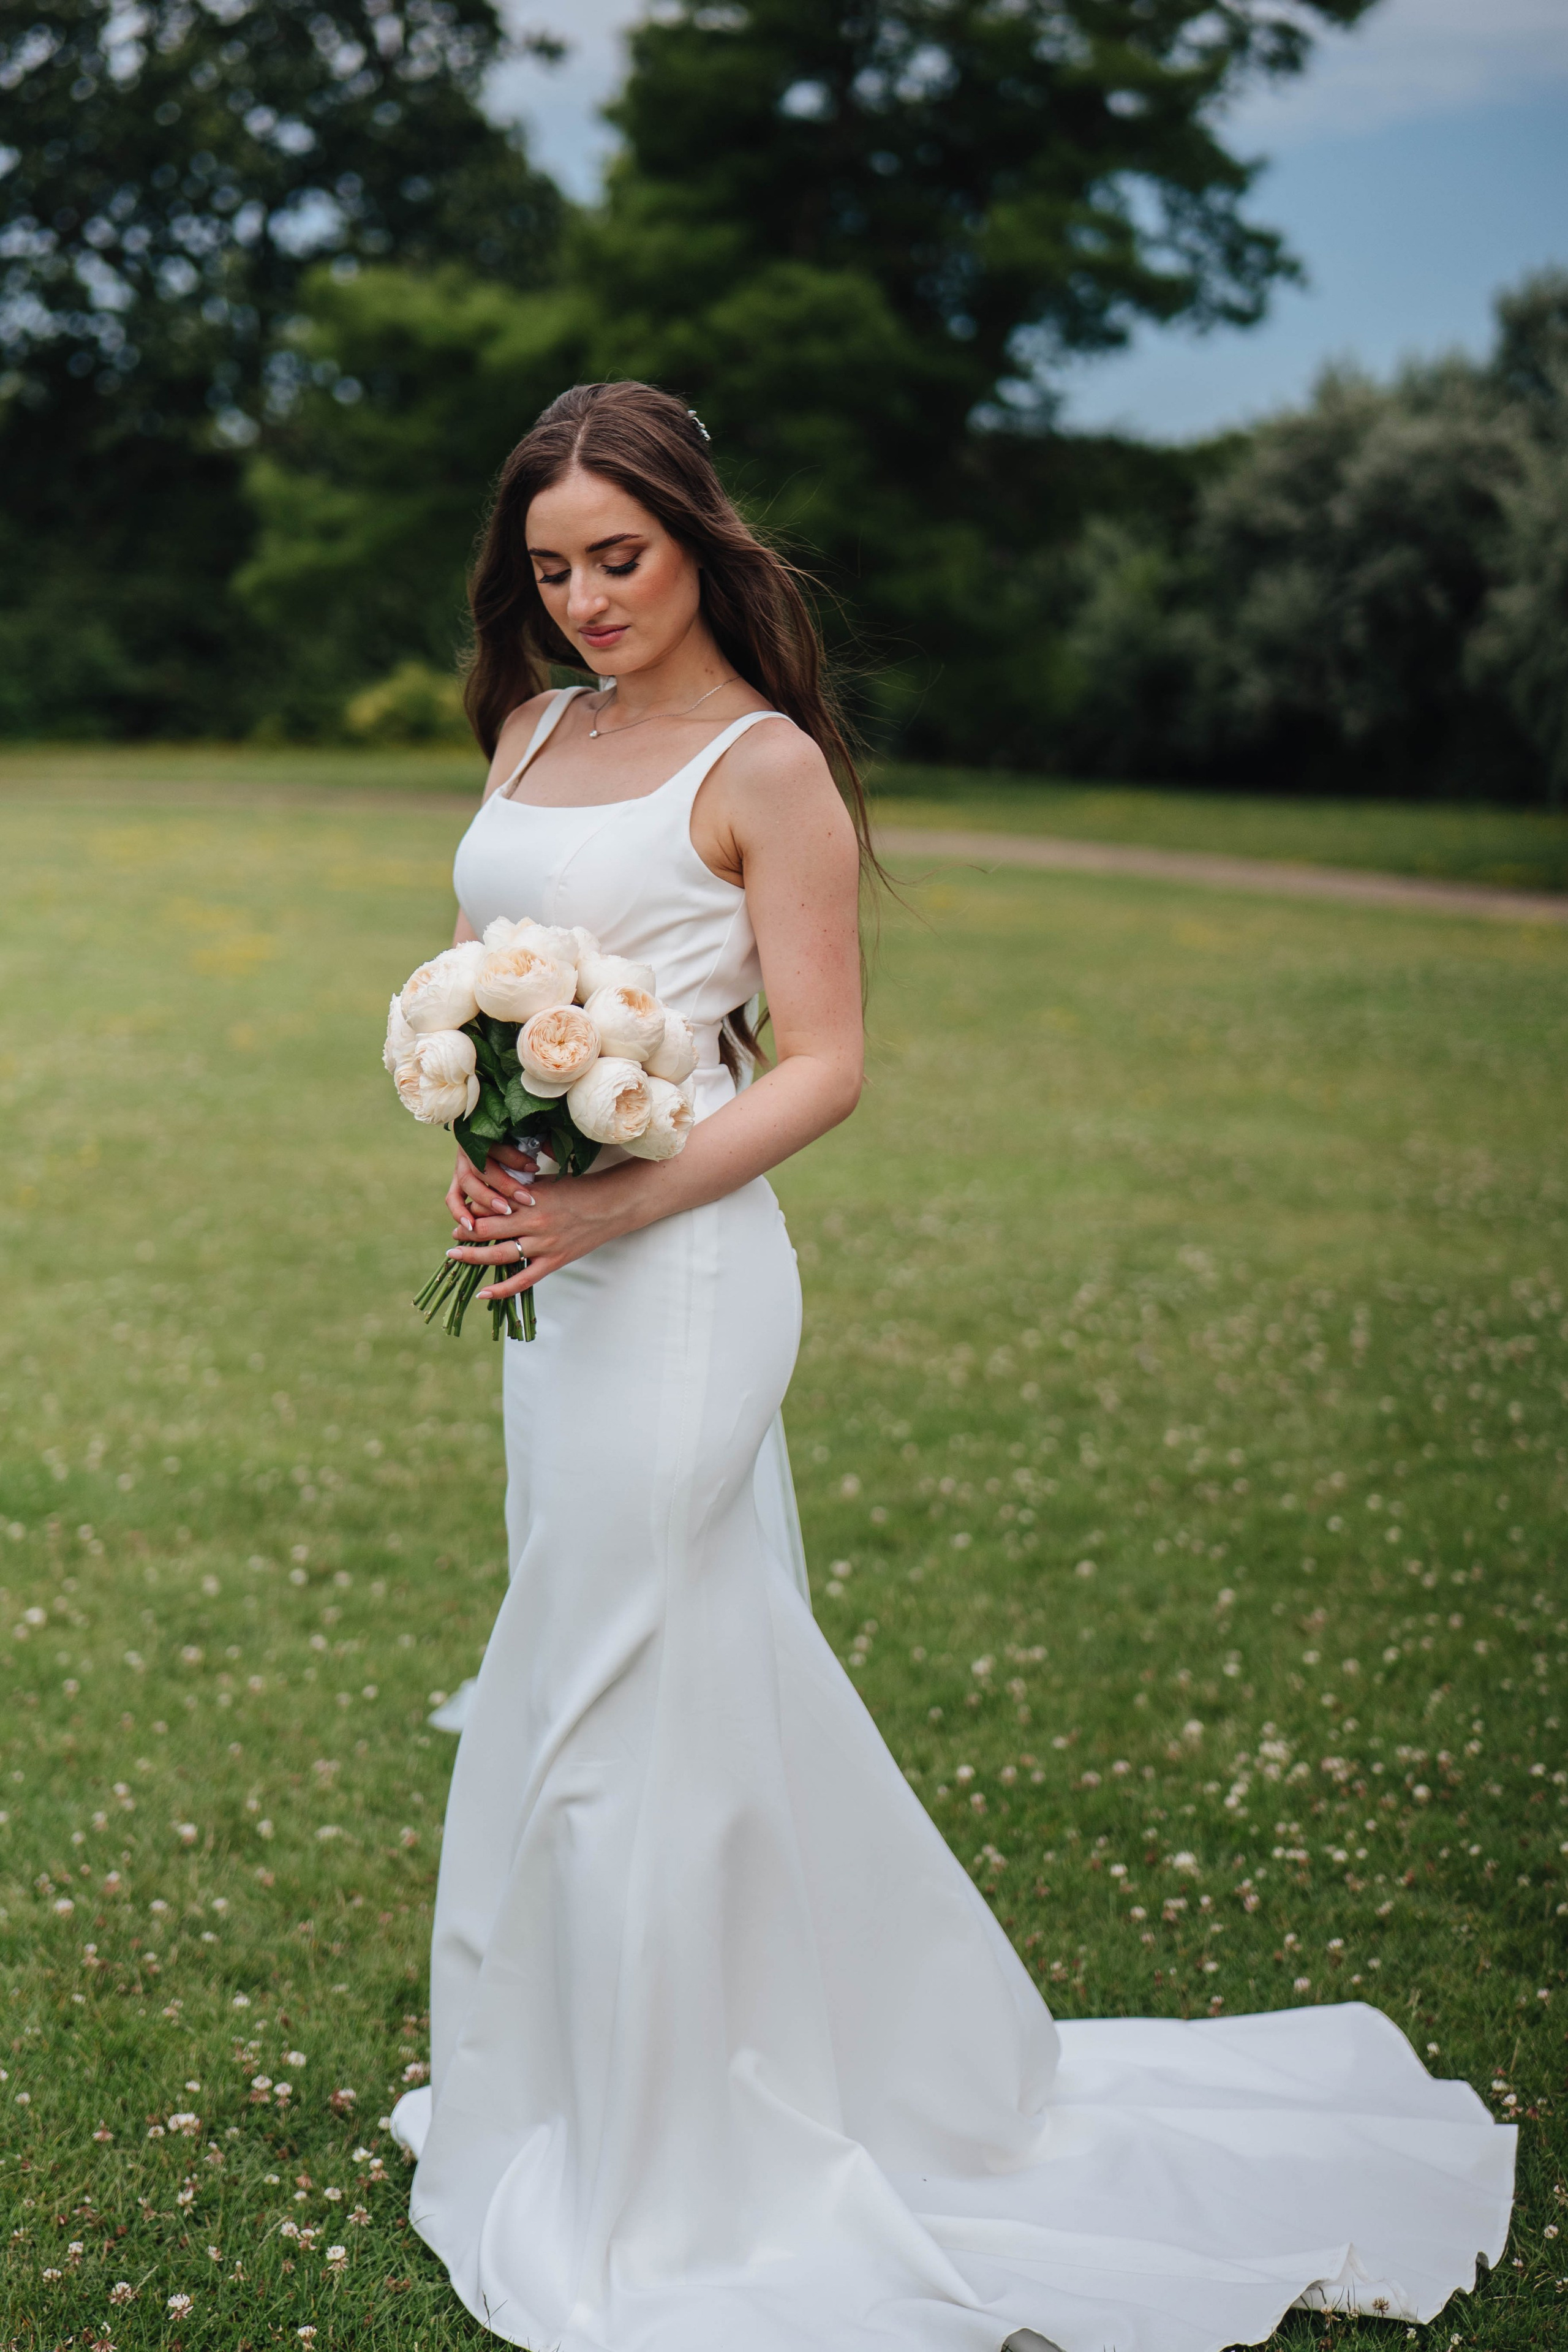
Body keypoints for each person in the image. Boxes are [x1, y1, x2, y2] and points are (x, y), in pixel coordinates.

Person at [390, 380, 1513, 2352]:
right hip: (555, 1277)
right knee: (638, 1653)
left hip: (687, 1273)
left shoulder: (768, 767)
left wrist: (617, 1201)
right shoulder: (531, 731)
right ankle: (596, 2086)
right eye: (551, 569)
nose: (584, 601)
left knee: (615, 1666)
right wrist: (495, 1139)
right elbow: (500, 981)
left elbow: (823, 1065)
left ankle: (677, 2171)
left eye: (619, 558)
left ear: (699, 540)